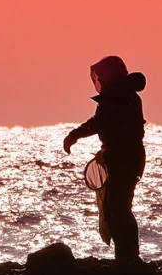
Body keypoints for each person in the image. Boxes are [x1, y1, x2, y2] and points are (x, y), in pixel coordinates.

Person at [63, 56, 147, 262]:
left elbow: (98, 123)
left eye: (99, 77)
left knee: (116, 208)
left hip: (121, 158)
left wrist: (74, 135)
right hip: (132, 156)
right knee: (120, 206)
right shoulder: (128, 95)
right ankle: (128, 255)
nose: (98, 82)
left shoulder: (115, 96)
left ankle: (127, 258)